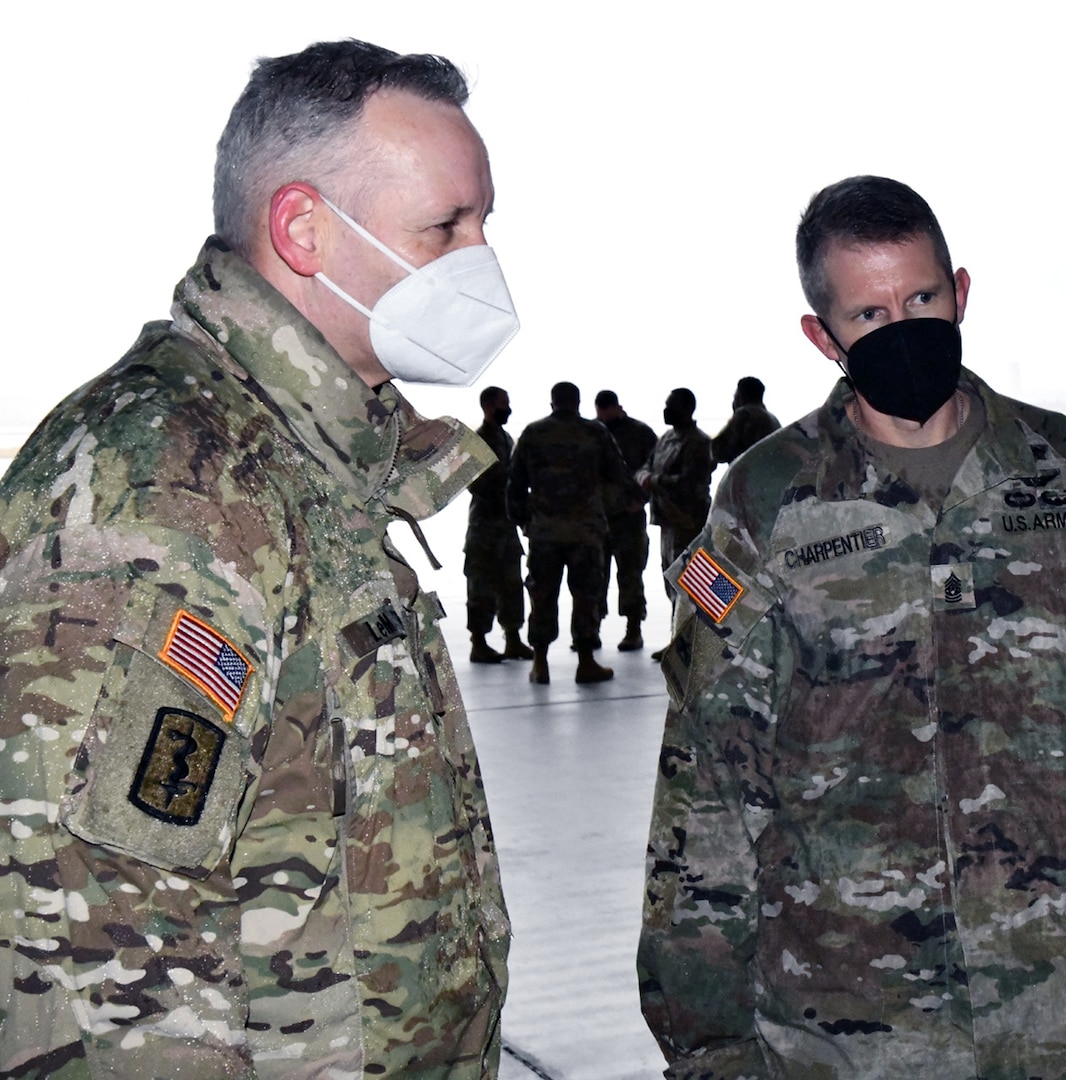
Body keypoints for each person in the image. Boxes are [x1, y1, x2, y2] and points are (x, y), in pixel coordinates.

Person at [0, 40, 515, 1077]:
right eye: (446, 227)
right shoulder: (171, 485)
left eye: (484, 224)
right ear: (303, 229)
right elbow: (107, 956)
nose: (481, 260)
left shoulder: (302, 458)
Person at [638, 175, 1066, 1080]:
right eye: (869, 313)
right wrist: (706, 1042)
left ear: (961, 292)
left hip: (1054, 1013)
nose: (904, 326)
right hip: (843, 1026)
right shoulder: (767, 500)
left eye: (923, 297)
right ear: (824, 337)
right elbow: (708, 784)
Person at [508, 381, 626, 684]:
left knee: (542, 595)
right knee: (586, 595)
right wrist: (604, 512)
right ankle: (586, 662)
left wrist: (523, 521)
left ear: (552, 403)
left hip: (544, 532)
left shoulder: (533, 433)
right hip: (585, 532)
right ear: (577, 403)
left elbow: (515, 483)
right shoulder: (595, 433)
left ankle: (540, 663)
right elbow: (618, 475)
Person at [637, 387, 714, 660]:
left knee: (692, 587)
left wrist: (654, 481)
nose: (666, 409)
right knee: (672, 584)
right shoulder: (666, 439)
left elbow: (689, 483)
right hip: (668, 521)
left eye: (671, 405)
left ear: (686, 408)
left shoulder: (698, 442)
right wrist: (645, 477)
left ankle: (695, 647)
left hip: (689, 523)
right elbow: (645, 466)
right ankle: (679, 644)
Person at [465, 385, 533, 664]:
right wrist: (506, 483)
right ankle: (479, 642)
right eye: (504, 404)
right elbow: (474, 482)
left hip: (506, 526)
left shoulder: (506, 439)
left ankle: (513, 639)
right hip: (484, 526)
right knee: (480, 586)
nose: (508, 409)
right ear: (489, 406)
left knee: (512, 585)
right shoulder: (476, 441)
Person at [595, 389, 658, 651]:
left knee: (631, 575)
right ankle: (590, 630)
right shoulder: (594, 433)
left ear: (616, 408)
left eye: (606, 412)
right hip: (598, 518)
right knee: (595, 577)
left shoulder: (640, 433)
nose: (603, 417)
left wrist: (641, 500)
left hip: (629, 517)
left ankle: (634, 630)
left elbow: (655, 468)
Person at [711, 375, 781, 464]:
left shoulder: (744, 414)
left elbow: (718, 452)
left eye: (735, 397)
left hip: (749, 474)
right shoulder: (773, 419)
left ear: (740, 397)